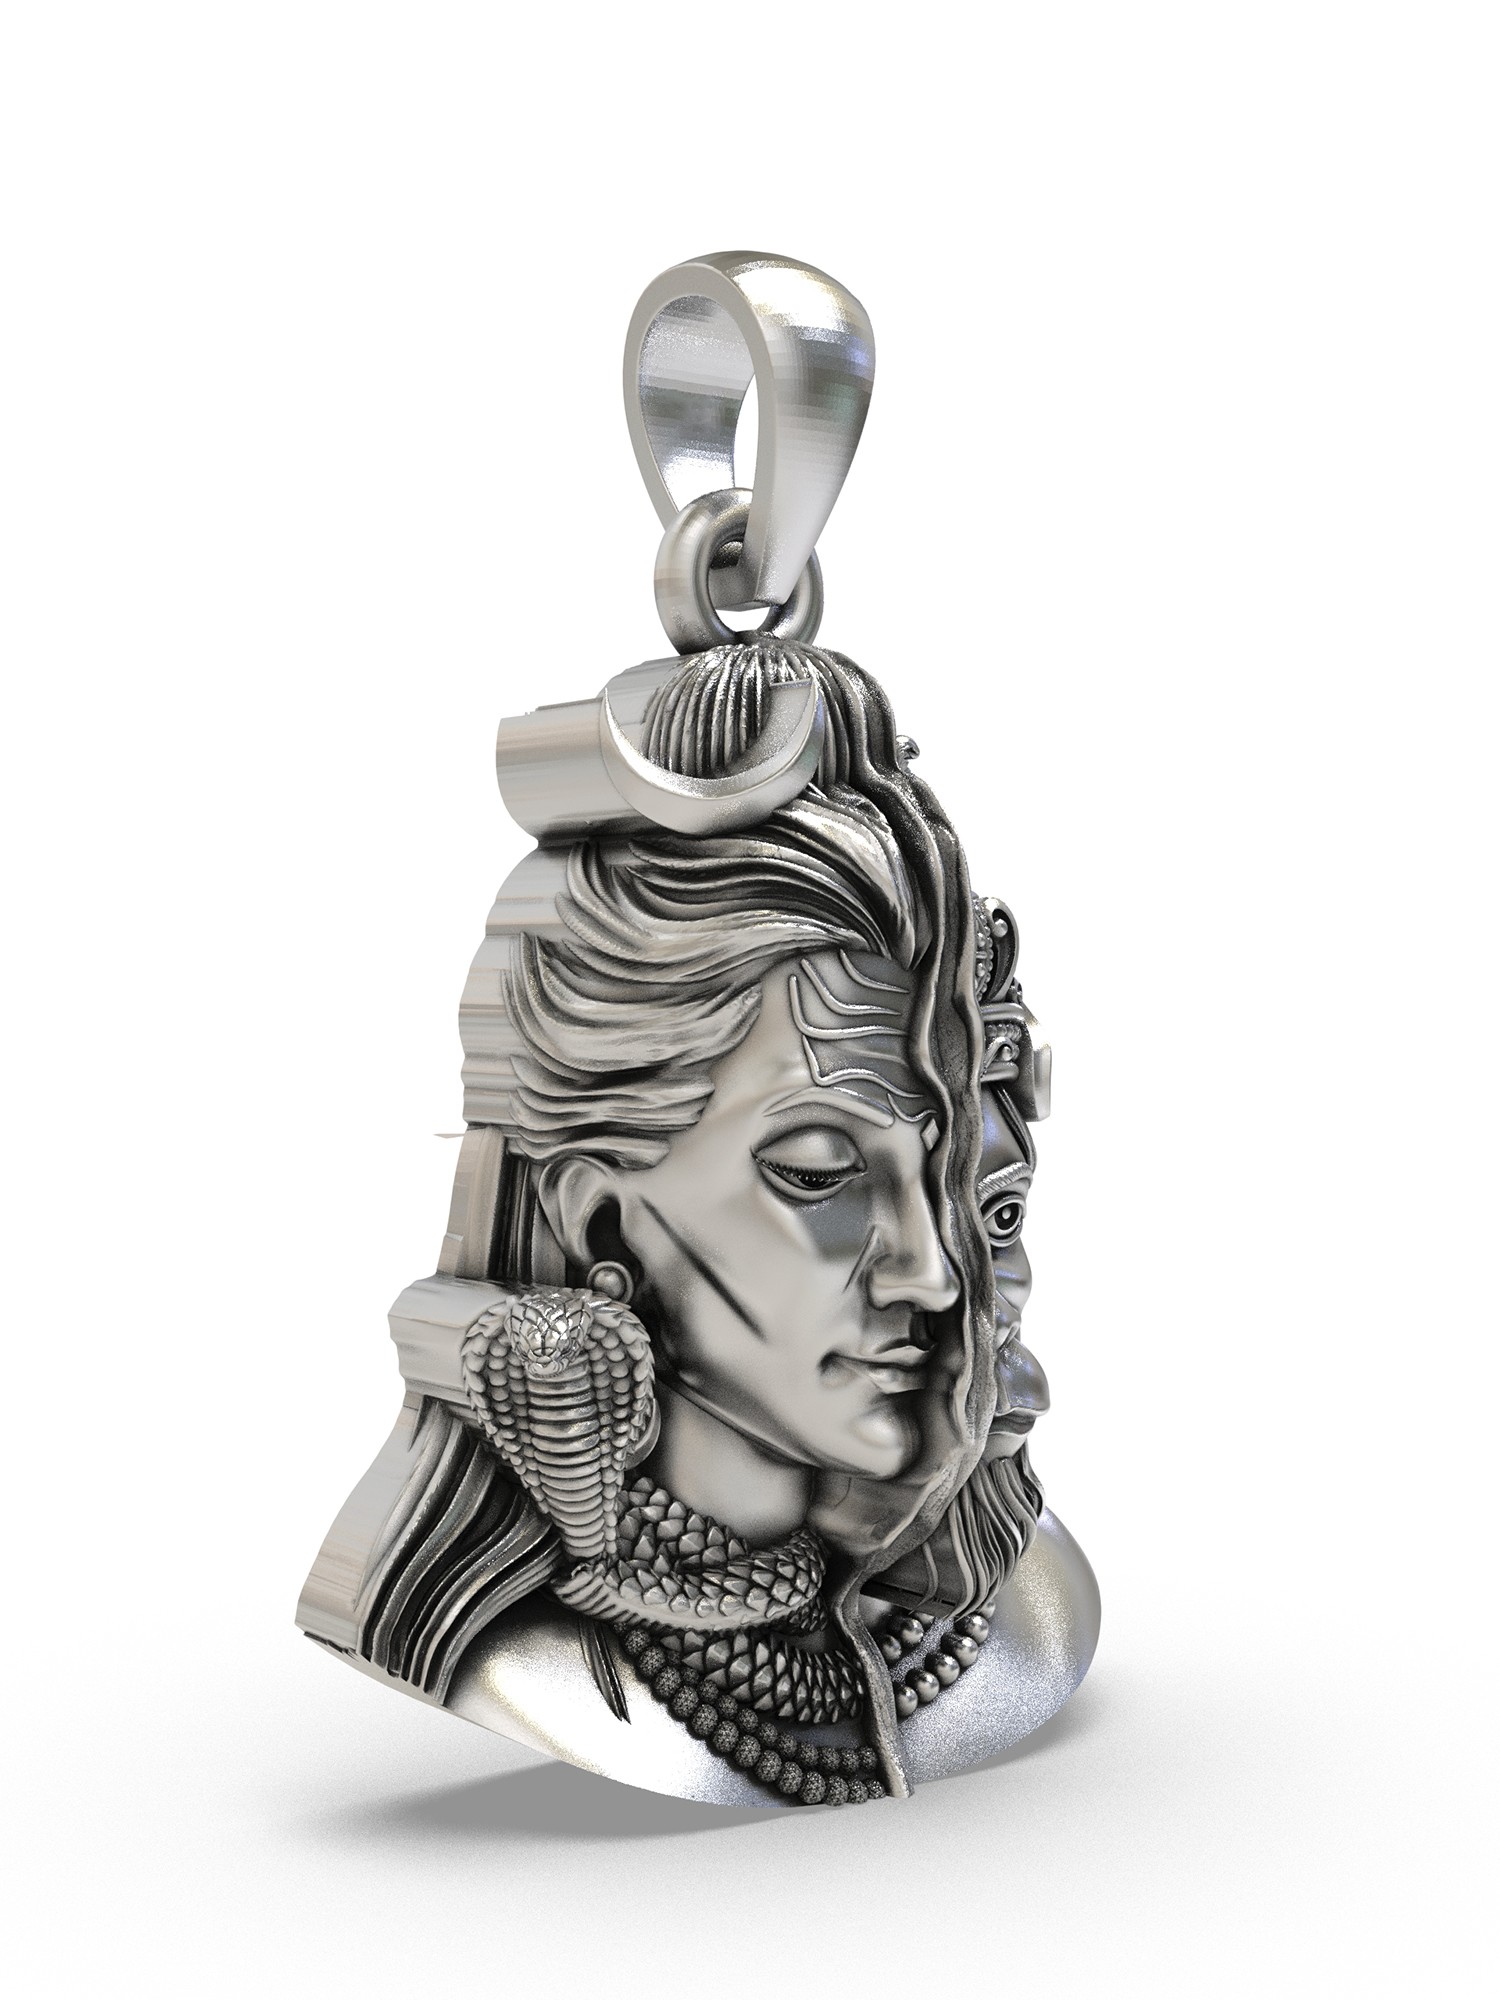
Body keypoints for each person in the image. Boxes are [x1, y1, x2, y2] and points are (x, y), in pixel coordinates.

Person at [298, 640, 1097, 1806]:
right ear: (599, 1214)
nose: (934, 1273)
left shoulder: (1031, 1595)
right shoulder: (514, 1652)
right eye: (819, 1173)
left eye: (971, 1191)